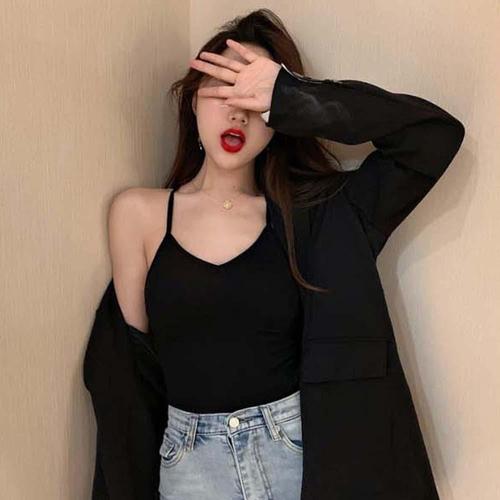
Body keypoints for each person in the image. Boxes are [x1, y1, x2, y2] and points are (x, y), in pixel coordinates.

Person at [93, 8, 465, 500]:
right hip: (190, 465)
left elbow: (433, 138)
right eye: (224, 89)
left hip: (297, 454)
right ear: (193, 100)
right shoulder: (137, 214)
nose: (238, 112)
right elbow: (131, 381)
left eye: (253, 95)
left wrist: (289, 95)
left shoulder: (323, 215)